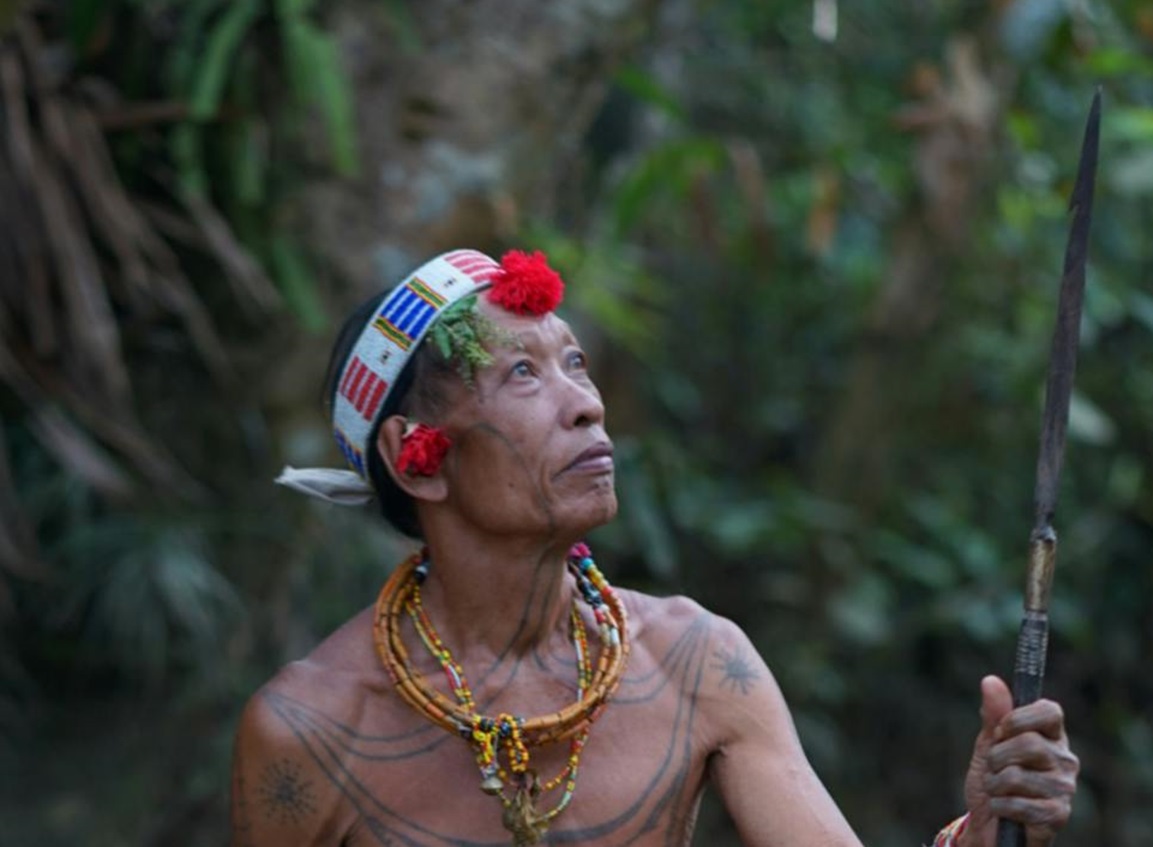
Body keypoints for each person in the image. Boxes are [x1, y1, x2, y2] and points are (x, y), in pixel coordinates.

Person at [231, 249, 1079, 847]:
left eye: (575, 362)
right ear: (417, 459)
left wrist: (986, 831)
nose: (586, 405)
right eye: (521, 374)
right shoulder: (310, 729)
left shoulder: (695, 661)